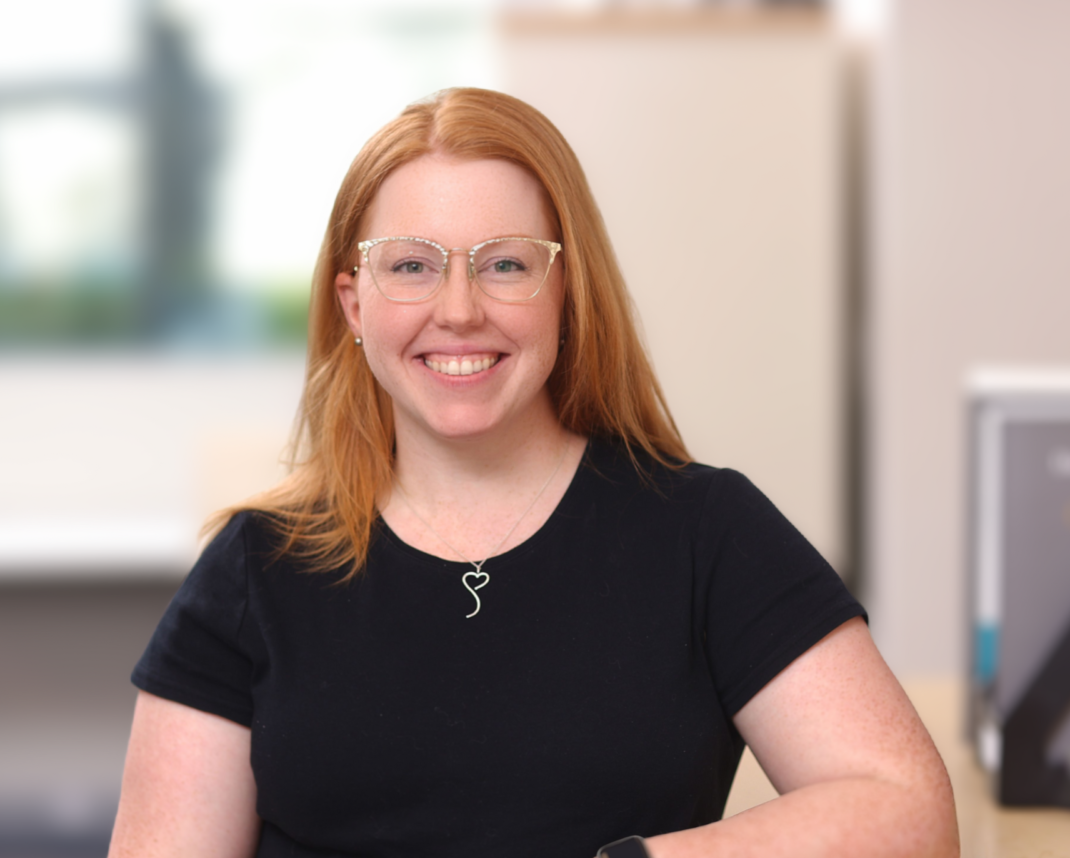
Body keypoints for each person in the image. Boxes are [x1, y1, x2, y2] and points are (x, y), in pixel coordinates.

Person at [108, 88, 957, 858]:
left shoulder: (707, 533)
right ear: (353, 306)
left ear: (566, 295)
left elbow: (907, 812)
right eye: (410, 264)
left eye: (506, 263)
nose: (458, 308)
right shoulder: (255, 570)